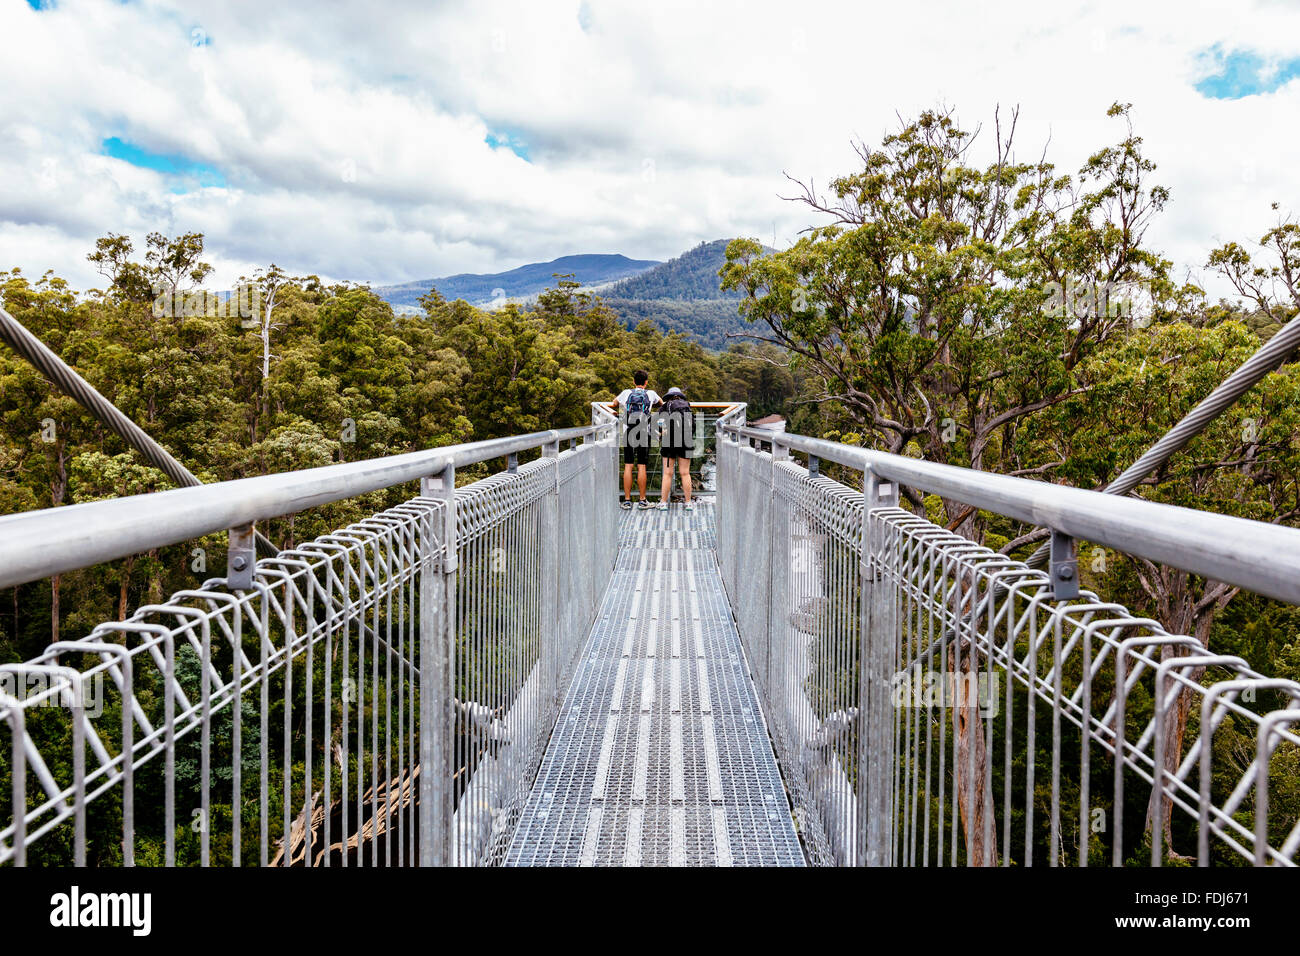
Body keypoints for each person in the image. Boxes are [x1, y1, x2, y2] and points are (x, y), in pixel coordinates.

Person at [614, 370, 661, 509]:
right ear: (646, 382)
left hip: (629, 430)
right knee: (642, 466)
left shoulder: (626, 393)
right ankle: (642, 500)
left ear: (633, 382)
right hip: (643, 430)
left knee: (628, 465)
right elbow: (662, 403)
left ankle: (627, 501)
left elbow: (614, 402)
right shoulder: (651, 394)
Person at [656, 386, 694, 513]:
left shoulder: (664, 407)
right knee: (685, 473)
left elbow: (660, 425)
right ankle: (688, 503)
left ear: (669, 396)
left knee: (667, 473)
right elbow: (692, 426)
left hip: (669, 441)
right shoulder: (687, 405)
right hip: (686, 441)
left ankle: (663, 503)